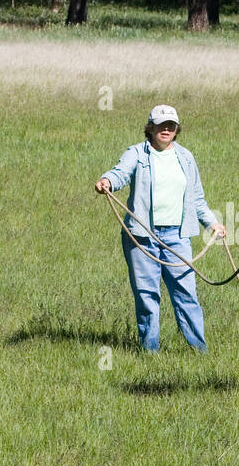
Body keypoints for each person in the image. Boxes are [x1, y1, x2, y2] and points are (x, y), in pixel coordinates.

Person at [95, 105, 227, 352]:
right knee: (147, 297)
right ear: (151, 127)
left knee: (186, 296)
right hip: (142, 237)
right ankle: (150, 353)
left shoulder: (186, 157)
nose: (166, 129)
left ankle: (200, 351)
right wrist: (108, 181)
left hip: (177, 236)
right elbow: (120, 173)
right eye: (161, 124)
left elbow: (197, 198)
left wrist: (212, 223)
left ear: (177, 129)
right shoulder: (136, 153)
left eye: (171, 125)